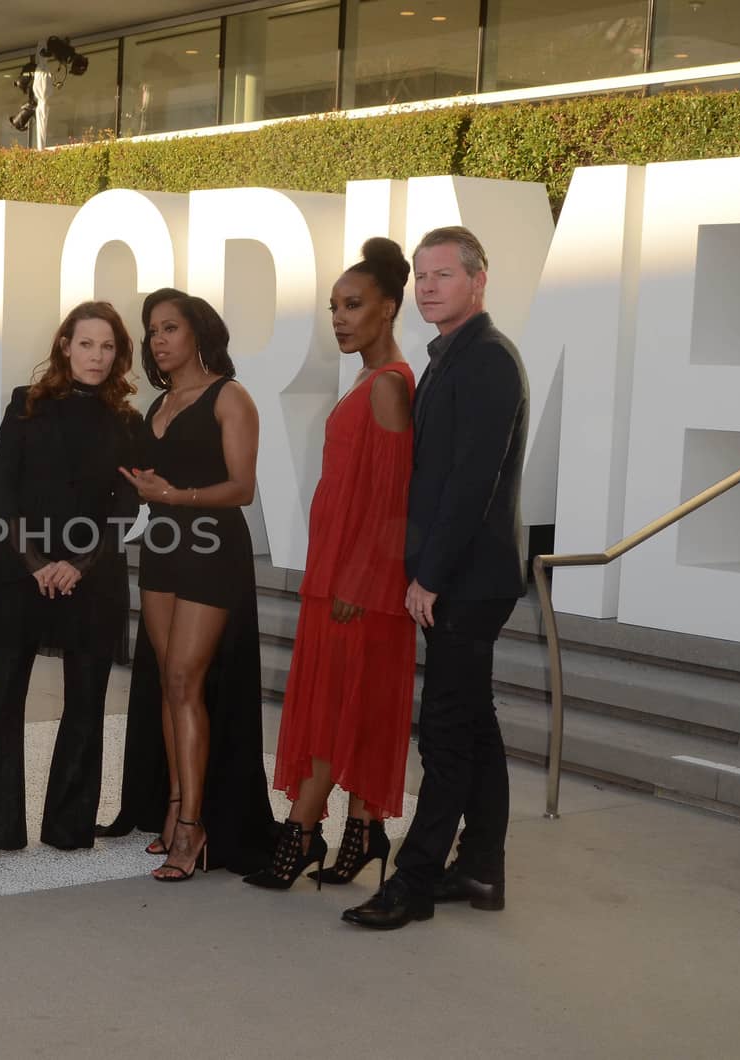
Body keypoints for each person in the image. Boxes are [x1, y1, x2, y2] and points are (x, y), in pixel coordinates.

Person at [343, 226, 529, 930]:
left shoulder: (487, 360)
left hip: (468, 580)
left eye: (443, 275)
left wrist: (430, 576)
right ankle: (480, 870)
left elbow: (469, 484)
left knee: (446, 735)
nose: (426, 286)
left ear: (479, 282)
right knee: (472, 726)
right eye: (421, 275)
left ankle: (413, 884)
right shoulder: (453, 356)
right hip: (464, 575)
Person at [248, 238, 416, 890]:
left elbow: (394, 498)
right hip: (341, 580)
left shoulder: (390, 387)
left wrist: (362, 578)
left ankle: (299, 837)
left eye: (354, 305)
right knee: (353, 708)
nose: (340, 318)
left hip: (359, 588)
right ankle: (364, 833)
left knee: (335, 712)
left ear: (389, 308)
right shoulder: (374, 382)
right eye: (334, 307)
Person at [0, 302, 139, 855]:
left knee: (87, 700)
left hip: (93, 575)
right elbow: (1, 493)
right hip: (21, 569)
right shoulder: (25, 404)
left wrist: (76, 566)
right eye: (86, 344)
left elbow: (126, 507)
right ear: (65, 345)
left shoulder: (127, 421)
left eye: (107, 347)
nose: (96, 356)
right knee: (3, 696)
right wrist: (38, 564)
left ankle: (67, 828)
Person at [119, 289, 273, 881]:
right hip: (162, 548)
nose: (158, 340)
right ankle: (178, 806)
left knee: (185, 678)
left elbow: (242, 488)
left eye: (170, 328)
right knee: (167, 678)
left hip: (212, 549)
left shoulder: (230, 397)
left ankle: (193, 828)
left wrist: (176, 497)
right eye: (152, 330)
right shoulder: (158, 401)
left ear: (198, 333)